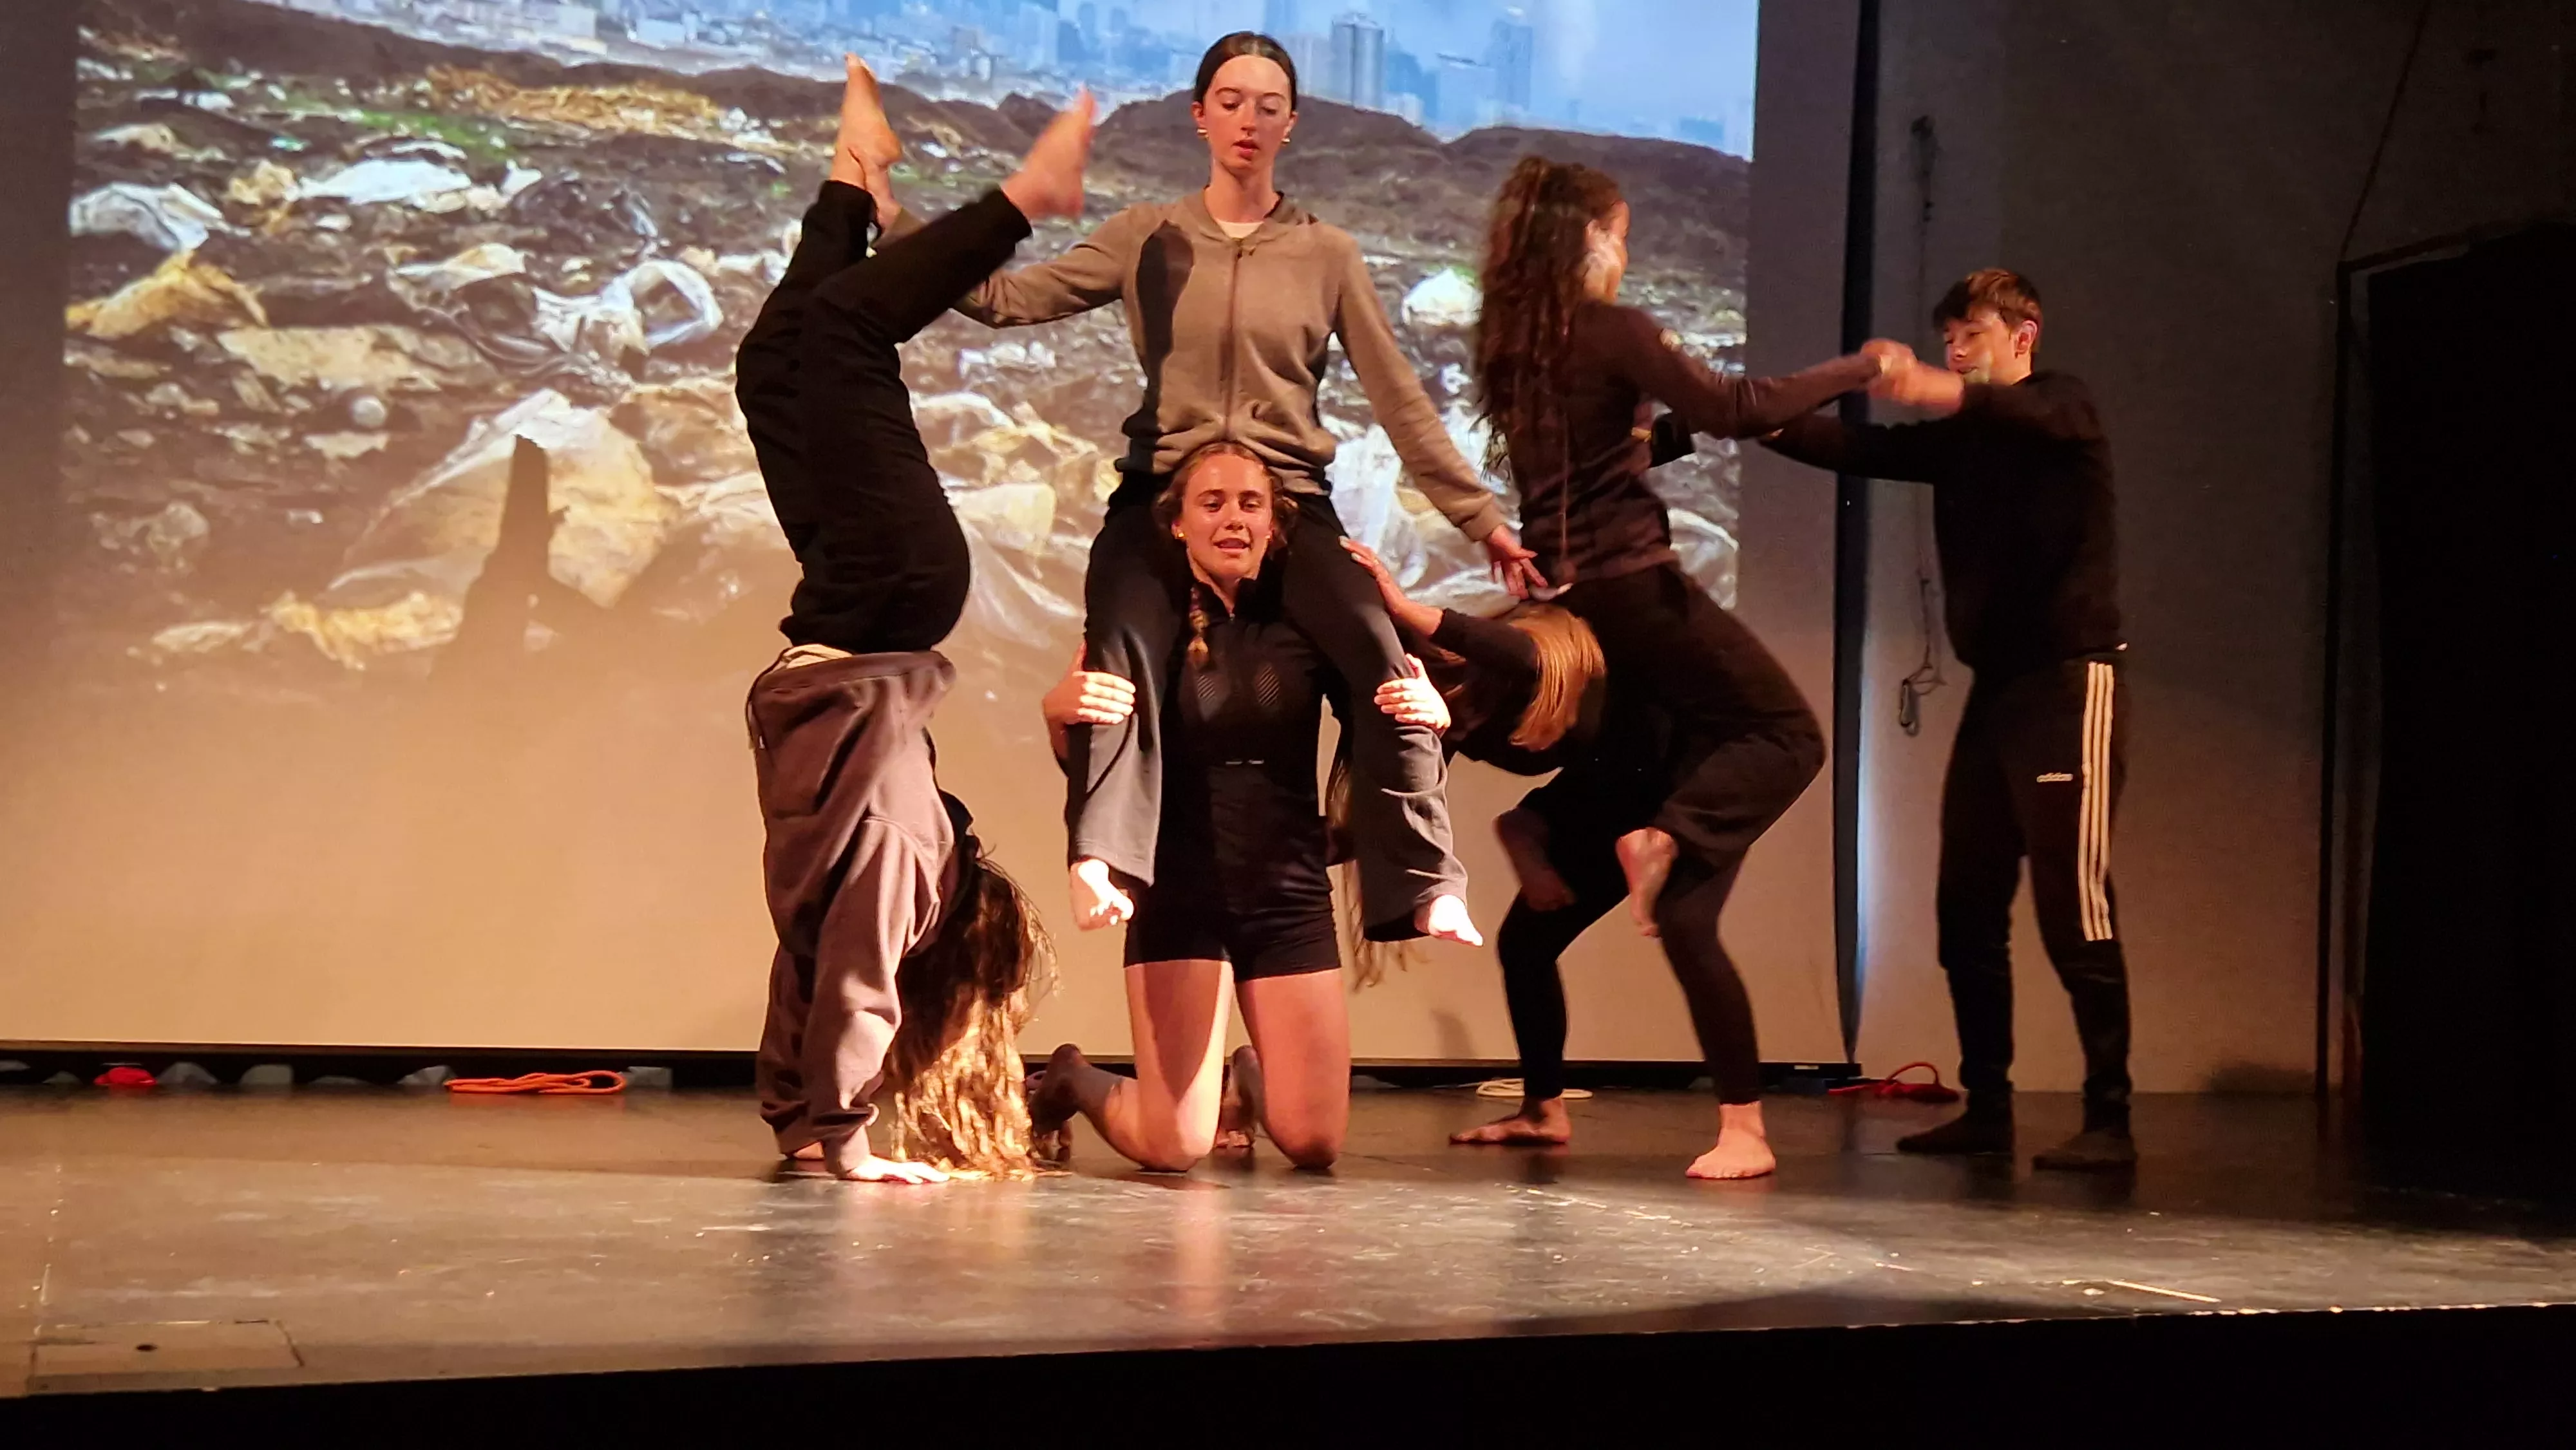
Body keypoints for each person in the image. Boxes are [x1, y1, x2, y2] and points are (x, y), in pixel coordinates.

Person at [883, 32, 1507, 950]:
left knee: (1384, 661)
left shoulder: (1327, 253)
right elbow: (1008, 301)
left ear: (1290, 124)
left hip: (1286, 499)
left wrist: (1482, 521)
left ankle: (1426, 879)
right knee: (1120, 661)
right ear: (1200, 115)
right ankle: (1102, 855)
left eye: (1267, 104)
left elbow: (1399, 398)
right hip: (1165, 497)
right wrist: (893, 225)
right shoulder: (1147, 236)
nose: (1248, 120)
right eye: (1230, 99)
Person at [1470, 155, 1895, 1178]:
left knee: (1636, 919)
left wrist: (1673, 432)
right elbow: (1742, 401)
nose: (1626, 251)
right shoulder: (1610, 326)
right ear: (1588, 239)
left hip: (1591, 611)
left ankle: (1695, 1124)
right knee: (1791, 735)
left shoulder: (1519, 348)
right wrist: (1862, 367)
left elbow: (1607, 455)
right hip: (1641, 594)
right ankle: (1663, 837)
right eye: (1620, 232)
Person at [729, 59, 1092, 1183]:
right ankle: (1022, 199)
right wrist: (829, 1130)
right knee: (840, 335)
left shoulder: (898, 840)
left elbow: (831, 972)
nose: (962, 824)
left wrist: (820, 1129)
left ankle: (861, 189)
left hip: (858, 612)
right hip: (885, 607)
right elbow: (842, 972)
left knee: (772, 370)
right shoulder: (897, 829)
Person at [1765, 268, 2133, 1171]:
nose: (1957, 351)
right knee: (1964, 906)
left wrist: (1937, 387)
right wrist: (1753, 416)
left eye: (1971, 334)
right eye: (1950, 339)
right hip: (1997, 692)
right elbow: (1861, 452)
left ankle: (2110, 1118)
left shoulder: (2064, 408)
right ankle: (1990, 1107)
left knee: (2072, 905)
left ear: (2024, 335)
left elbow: (2033, 421)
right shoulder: (1967, 437)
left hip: (2068, 683)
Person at [1024, 444, 1359, 1174]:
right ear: (1178, 524)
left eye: (1250, 503)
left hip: (1286, 892)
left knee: (1313, 1142)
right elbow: (1095, 759)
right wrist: (1056, 712)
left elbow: (1379, 706)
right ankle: (1074, 1075)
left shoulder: (1309, 623)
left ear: (1274, 522)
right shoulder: (1148, 629)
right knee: (1175, 1147)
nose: (1233, 517)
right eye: (1212, 503)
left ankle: (1245, 1075)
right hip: (1179, 886)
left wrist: (1429, 702)